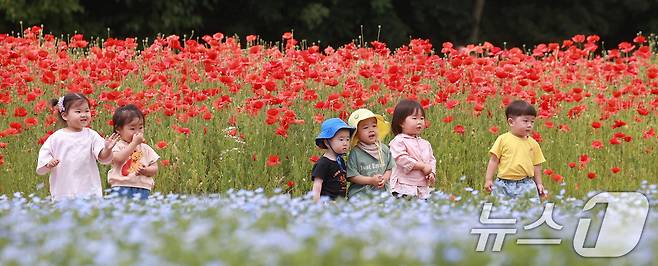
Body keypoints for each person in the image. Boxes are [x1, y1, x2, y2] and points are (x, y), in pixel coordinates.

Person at [36, 93, 120, 200]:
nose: (84, 115)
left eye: (87, 111)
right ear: (65, 115)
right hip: (64, 189)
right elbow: (44, 156)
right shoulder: (56, 137)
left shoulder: (91, 135)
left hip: (88, 187)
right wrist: (49, 163)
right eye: (78, 112)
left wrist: (107, 149)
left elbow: (103, 157)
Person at [484, 100, 546, 201]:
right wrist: (489, 179)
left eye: (532, 121)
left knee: (528, 211)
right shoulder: (503, 139)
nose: (529, 125)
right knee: (501, 212)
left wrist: (539, 183)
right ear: (511, 122)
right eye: (525, 121)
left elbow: (537, 165)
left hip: (526, 184)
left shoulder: (534, 144)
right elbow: (494, 160)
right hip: (503, 184)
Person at [107, 104, 160, 200]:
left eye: (140, 127)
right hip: (121, 187)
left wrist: (146, 171)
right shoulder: (117, 146)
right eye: (132, 128)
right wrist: (134, 143)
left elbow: (155, 168)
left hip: (142, 188)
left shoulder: (146, 148)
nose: (137, 132)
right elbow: (118, 160)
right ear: (118, 129)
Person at [389, 99, 436, 199]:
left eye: (422, 118)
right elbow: (400, 158)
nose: (419, 122)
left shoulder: (425, 144)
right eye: (414, 118)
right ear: (401, 122)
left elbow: (431, 160)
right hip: (404, 187)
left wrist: (431, 173)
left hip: (422, 188)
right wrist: (421, 166)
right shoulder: (398, 141)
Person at [346, 109, 393, 198]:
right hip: (361, 194)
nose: (371, 130)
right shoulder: (355, 153)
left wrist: (384, 178)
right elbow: (352, 176)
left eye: (374, 126)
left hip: (382, 193)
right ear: (357, 134)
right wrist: (370, 180)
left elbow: (389, 168)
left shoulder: (384, 149)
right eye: (365, 127)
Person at [310, 118, 355, 202]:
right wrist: (316, 205)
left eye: (347, 139)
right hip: (326, 203)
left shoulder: (340, 161)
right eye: (341, 139)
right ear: (327, 142)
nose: (345, 143)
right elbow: (317, 186)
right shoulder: (323, 163)